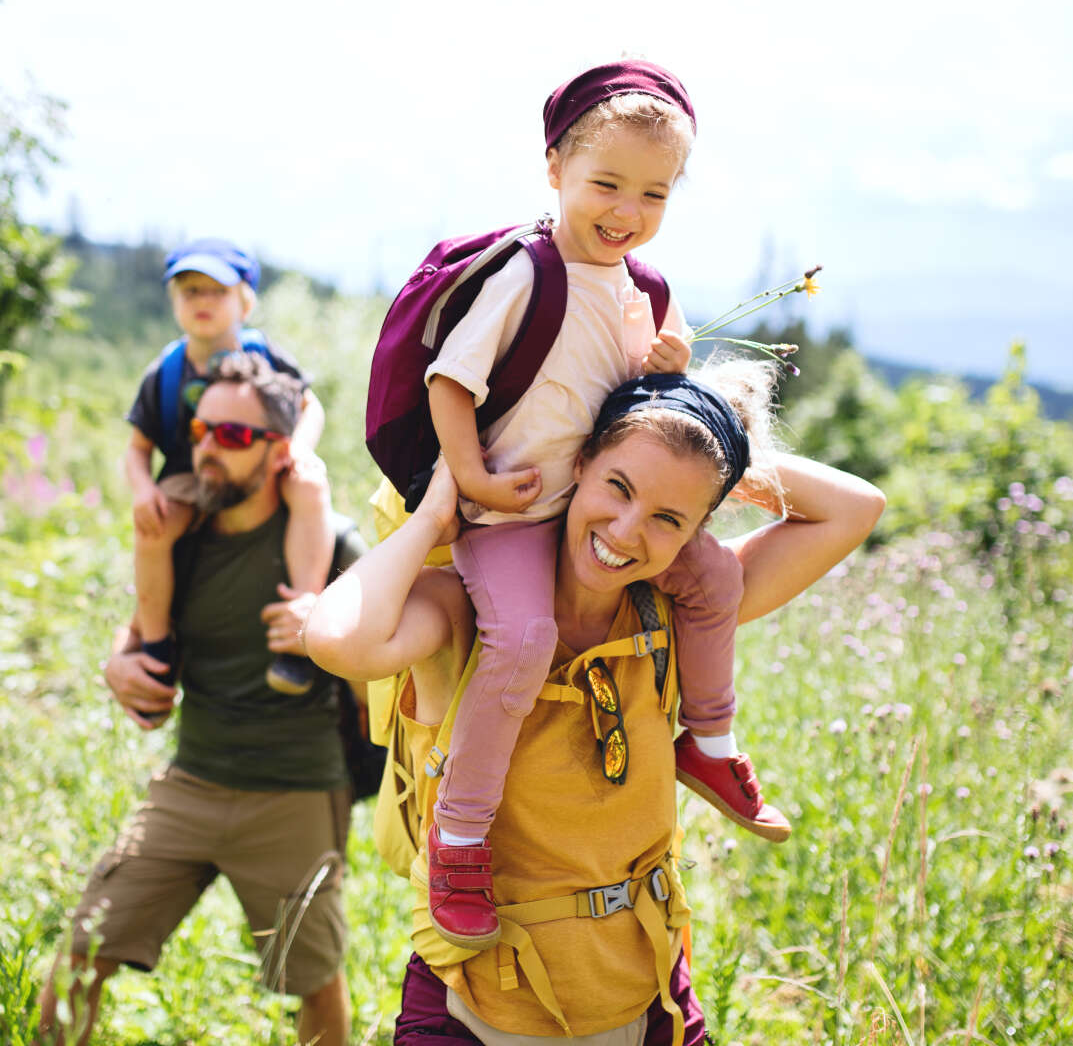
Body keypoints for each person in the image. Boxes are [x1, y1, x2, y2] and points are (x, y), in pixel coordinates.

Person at [306, 362, 886, 1043]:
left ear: (695, 531)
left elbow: (856, 508)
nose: (628, 530)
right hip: (474, 1007)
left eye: (669, 517)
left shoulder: (678, 613)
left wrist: (708, 439)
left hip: (648, 1001)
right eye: (619, 485)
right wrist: (436, 512)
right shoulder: (465, 612)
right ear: (577, 463)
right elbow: (337, 639)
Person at [417, 60, 785, 949]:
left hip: (591, 503)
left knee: (710, 581)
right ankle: (460, 836)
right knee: (524, 638)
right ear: (555, 169)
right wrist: (467, 478)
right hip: (511, 512)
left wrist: (663, 367)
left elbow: (638, 409)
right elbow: (450, 380)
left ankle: (709, 738)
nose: (627, 210)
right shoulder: (526, 273)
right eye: (606, 184)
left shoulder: (642, 290)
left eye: (653, 194)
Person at [38, 353, 365, 1046]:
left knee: (314, 979)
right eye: (200, 430)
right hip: (191, 783)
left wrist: (329, 639)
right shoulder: (182, 536)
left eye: (234, 436)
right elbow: (137, 637)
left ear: (280, 452)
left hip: (296, 792)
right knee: (79, 953)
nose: (208, 448)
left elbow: (385, 668)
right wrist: (115, 668)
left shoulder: (332, 546)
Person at [126, 237, 333, 699]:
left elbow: (309, 406)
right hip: (189, 475)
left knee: (310, 486)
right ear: (173, 301)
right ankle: (157, 646)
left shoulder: (267, 356)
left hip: (260, 466)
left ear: (245, 301)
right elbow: (137, 447)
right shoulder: (164, 371)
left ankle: (300, 622)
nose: (202, 302)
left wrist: (298, 449)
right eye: (189, 291)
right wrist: (143, 490)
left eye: (216, 291)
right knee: (152, 530)